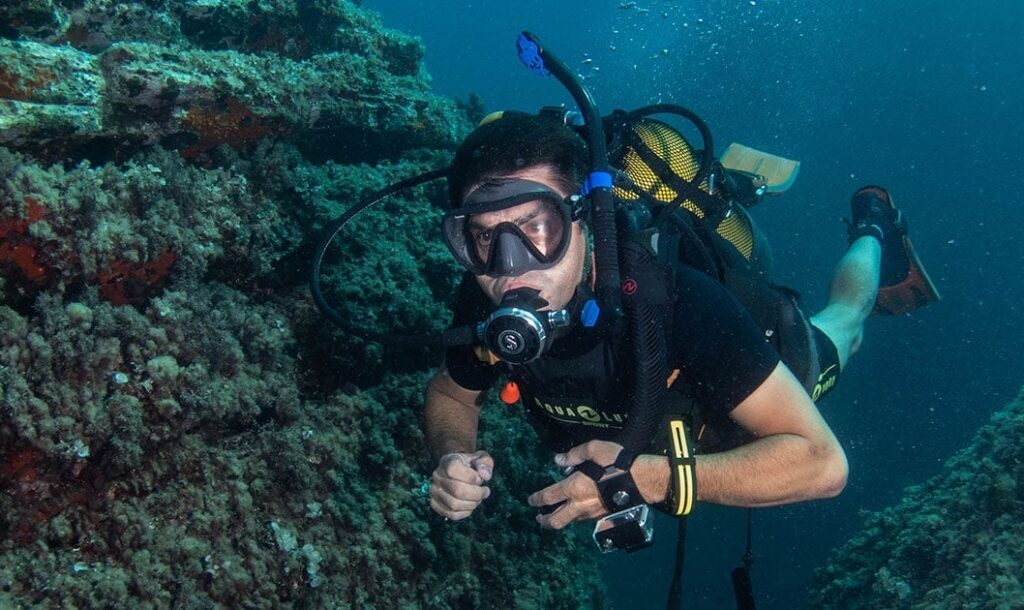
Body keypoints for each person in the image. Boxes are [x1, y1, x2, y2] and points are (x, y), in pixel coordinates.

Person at [424, 111, 938, 531]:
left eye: (536, 226)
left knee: (844, 323)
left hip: (751, 380)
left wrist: (648, 480)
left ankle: (873, 227)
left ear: (585, 219)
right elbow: (451, 394)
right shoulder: (484, 295)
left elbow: (823, 465)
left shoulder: (677, 302)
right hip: (652, 430)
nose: (511, 267)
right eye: (485, 237)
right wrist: (452, 456)